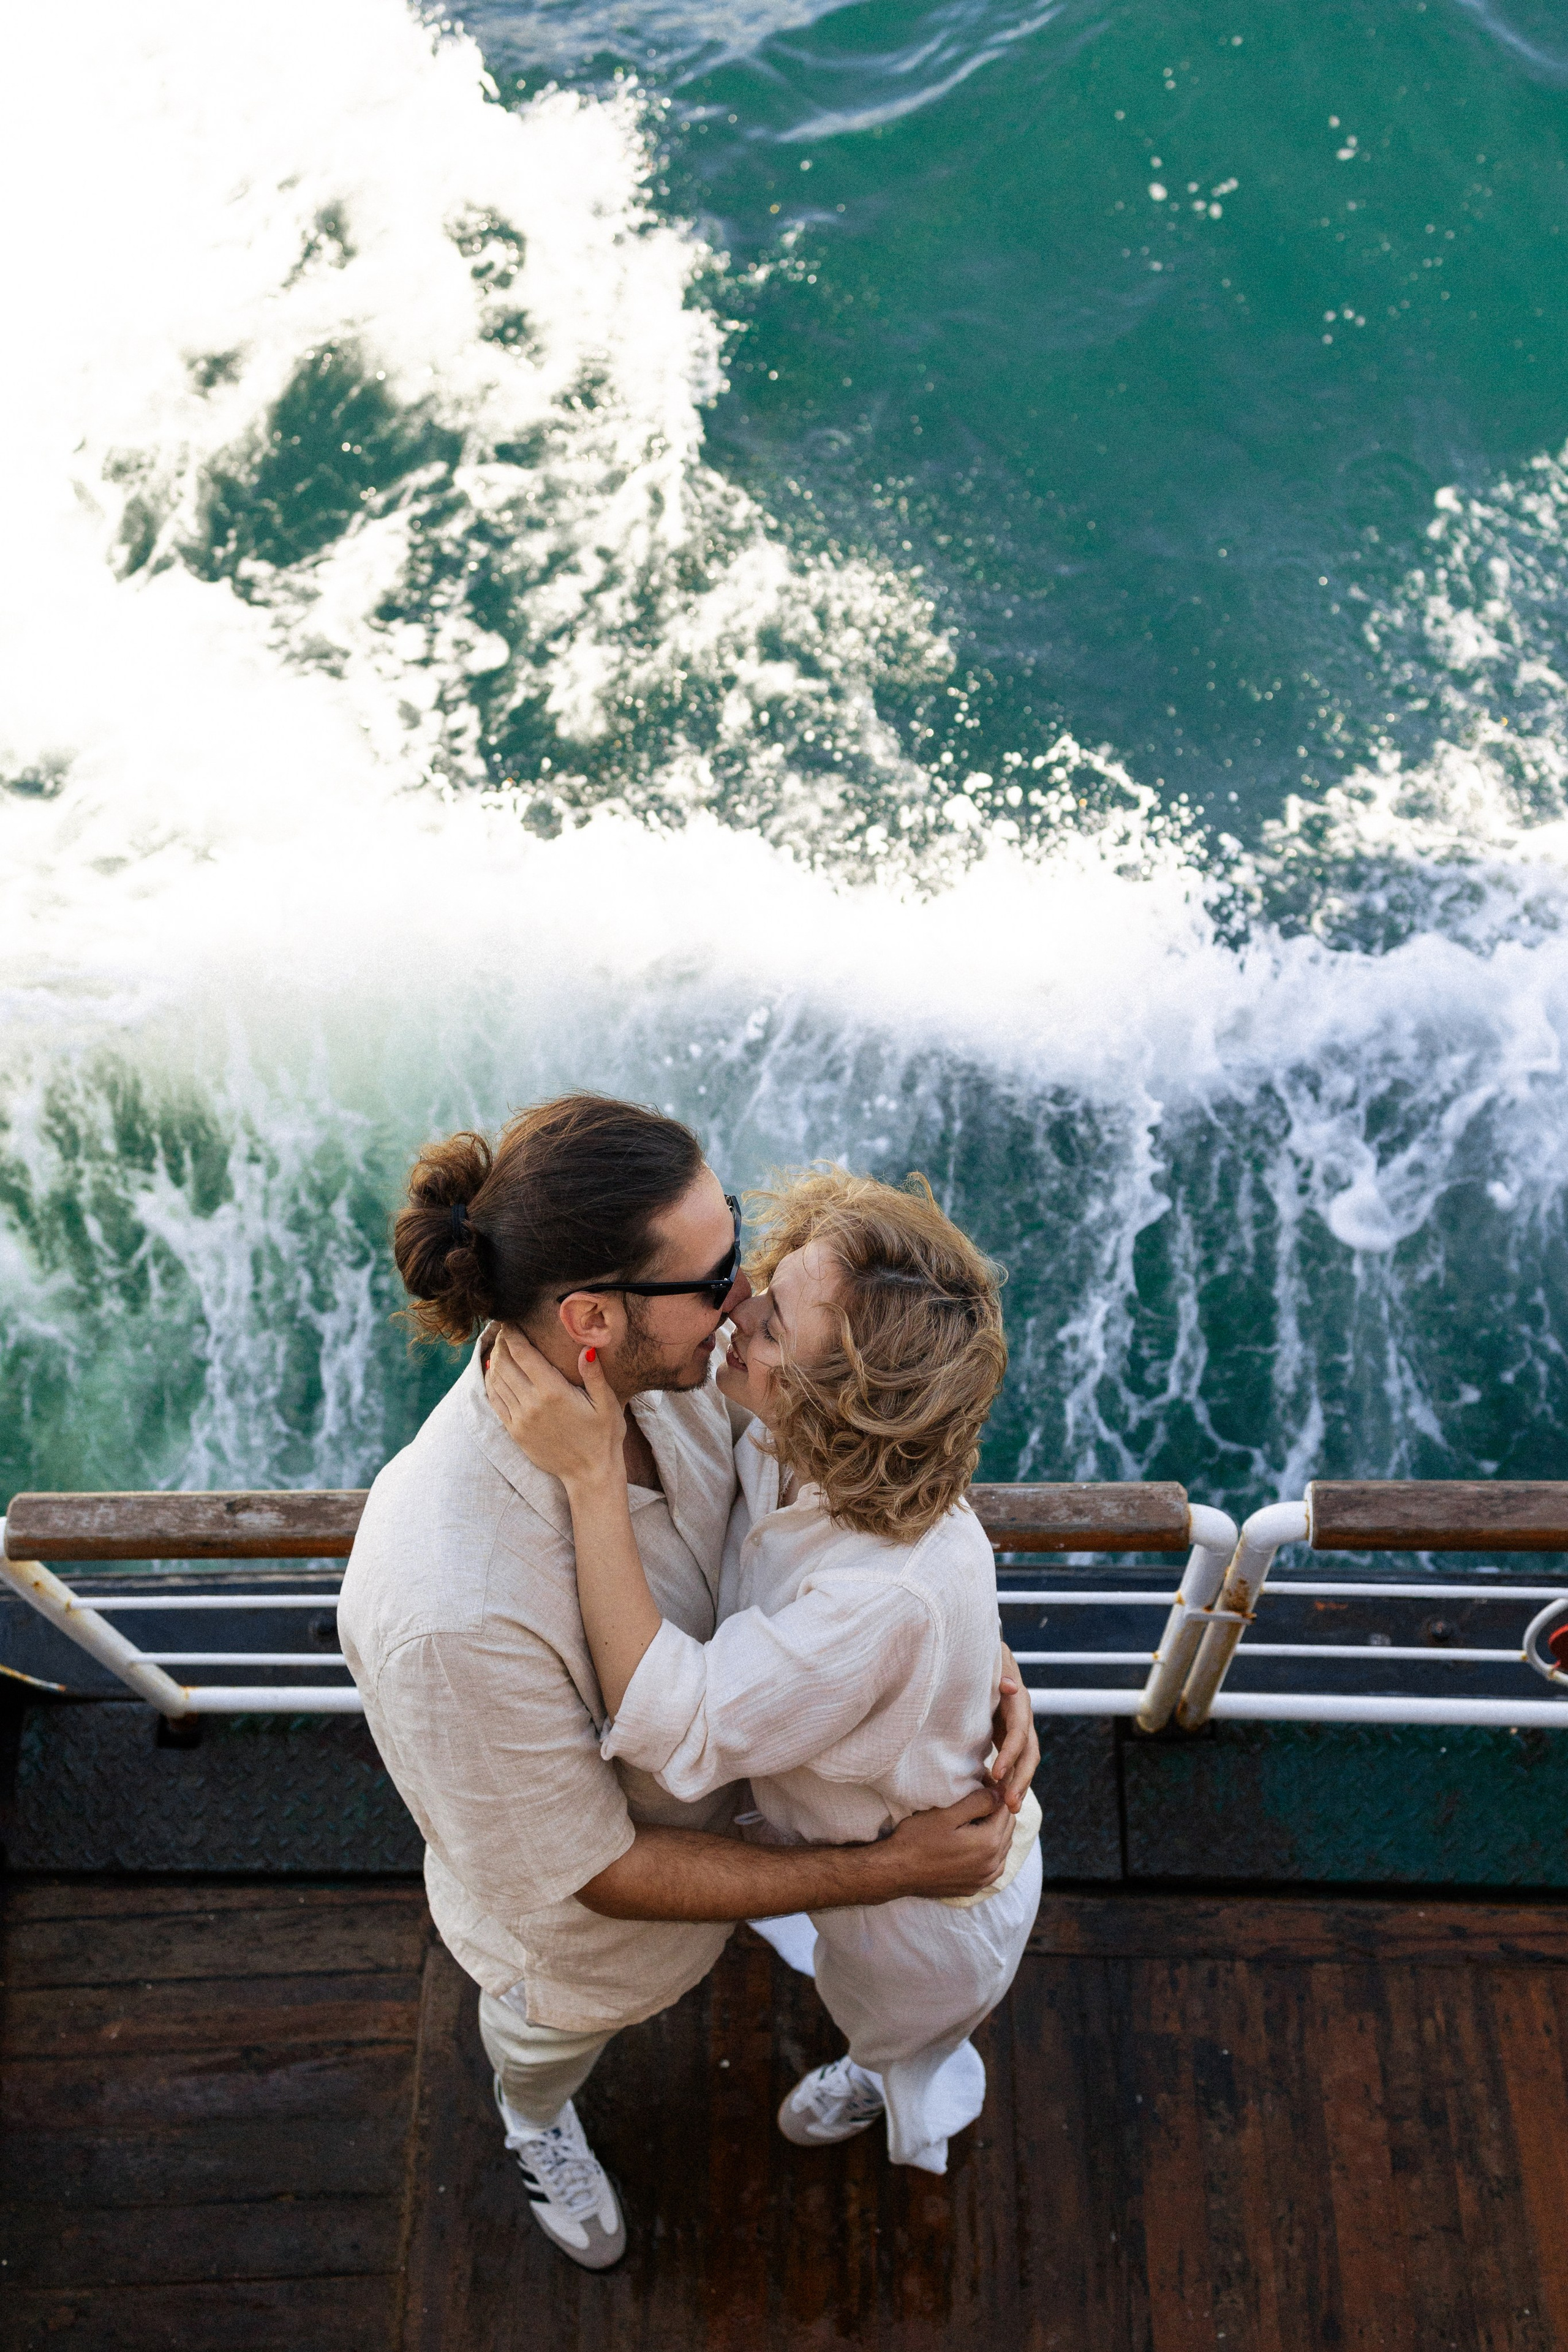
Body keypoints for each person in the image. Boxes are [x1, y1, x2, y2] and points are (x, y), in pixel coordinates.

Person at [337, 1095, 1040, 2271]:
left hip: (769, 1806)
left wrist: (971, 1668)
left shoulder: (695, 1373)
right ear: (594, 1317)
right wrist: (890, 1869)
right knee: (542, 2042)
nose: (746, 1299)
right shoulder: (442, 1609)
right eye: (722, 1277)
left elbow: (849, 1493)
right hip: (604, 1937)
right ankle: (533, 2127)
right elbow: (599, 1874)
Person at [485, 1166, 1042, 2180]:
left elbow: (674, 1723)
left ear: (835, 1411)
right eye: (769, 1274)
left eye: (773, 1323)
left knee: (894, 2029)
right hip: (843, 1827)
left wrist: (592, 1475)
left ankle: (892, 2089)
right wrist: (996, 1675)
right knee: (821, 1955)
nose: (738, 1302)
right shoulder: (800, 1443)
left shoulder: (873, 1595)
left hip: (924, 1913)